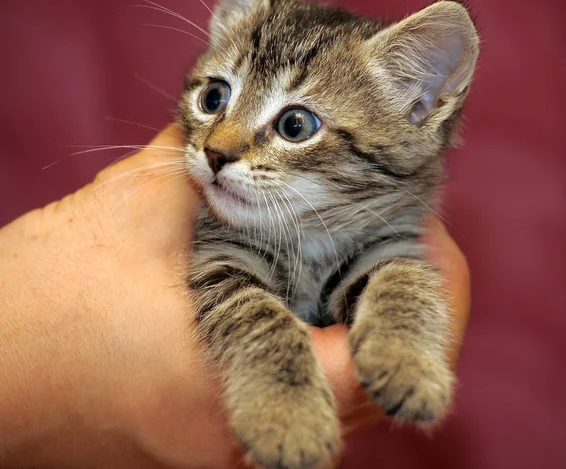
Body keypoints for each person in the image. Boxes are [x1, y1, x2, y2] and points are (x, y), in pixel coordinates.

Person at [0, 124, 470, 469]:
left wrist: (403, 315)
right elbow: (223, 276)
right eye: (215, 100)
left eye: (294, 126)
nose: (219, 146)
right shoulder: (218, 212)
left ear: (418, 102)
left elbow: (387, 266)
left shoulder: (368, 226)